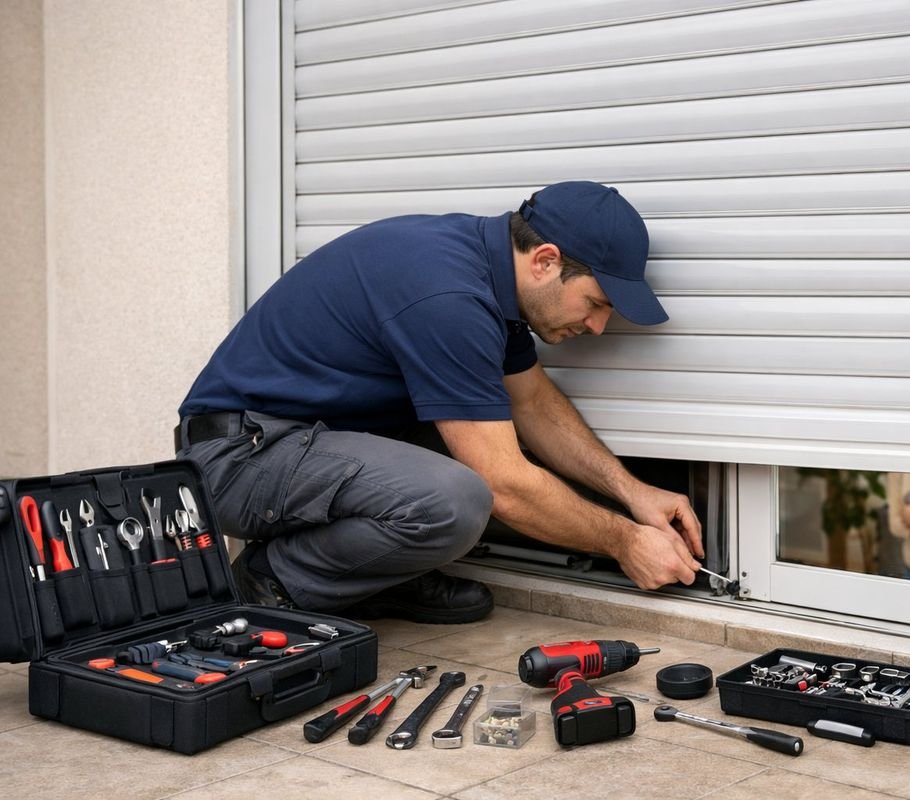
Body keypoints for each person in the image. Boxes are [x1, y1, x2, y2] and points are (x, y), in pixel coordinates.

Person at [175, 181, 704, 624]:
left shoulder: (489, 277)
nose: (597, 326)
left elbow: (533, 404)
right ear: (545, 260)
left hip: (307, 443)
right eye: (595, 303)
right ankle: (271, 580)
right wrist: (623, 542)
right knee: (460, 495)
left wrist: (633, 493)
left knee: (483, 434)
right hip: (240, 457)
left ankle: (360, 581)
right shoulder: (448, 298)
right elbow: (503, 487)